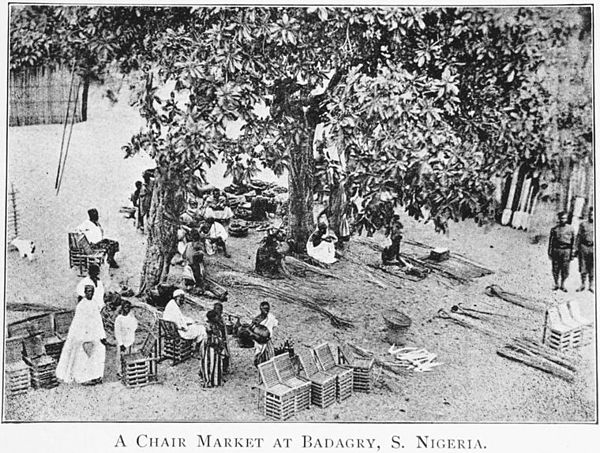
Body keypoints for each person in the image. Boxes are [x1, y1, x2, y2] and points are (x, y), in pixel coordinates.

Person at [56, 285, 108, 385]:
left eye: (92, 291)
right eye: (88, 291)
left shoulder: (94, 303)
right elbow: (78, 322)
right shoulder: (81, 306)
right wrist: (82, 336)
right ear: (85, 292)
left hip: (94, 333)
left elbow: (98, 320)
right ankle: (83, 378)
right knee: (82, 355)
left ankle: (96, 375)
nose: (90, 293)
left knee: (99, 351)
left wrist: (102, 335)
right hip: (83, 334)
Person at [548, 211, 575, 292]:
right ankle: (556, 284)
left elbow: (573, 242)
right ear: (559, 219)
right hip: (556, 250)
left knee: (565, 268)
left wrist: (572, 253)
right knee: (555, 268)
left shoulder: (571, 229)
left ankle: (563, 284)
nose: (563, 220)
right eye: (562, 218)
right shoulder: (554, 229)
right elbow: (551, 242)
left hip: (566, 250)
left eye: (565, 218)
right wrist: (550, 252)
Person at [199, 310, 226, 387]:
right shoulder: (209, 327)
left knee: (215, 364)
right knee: (210, 364)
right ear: (213, 318)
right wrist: (219, 344)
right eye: (217, 316)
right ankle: (209, 381)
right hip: (210, 347)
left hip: (215, 347)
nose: (219, 317)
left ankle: (215, 380)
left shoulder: (216, 324)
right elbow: (210, 339)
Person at [251, 301, 278, 367]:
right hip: (259, 343)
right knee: (259, 360)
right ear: (261, 309)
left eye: (267, 309)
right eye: (264, 309)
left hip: (268, 342)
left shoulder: (271, 317)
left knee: (270, 359)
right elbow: (252, 329)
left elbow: (274, 325)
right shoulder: (257, 319)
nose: (266, 310)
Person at [114, 300, 138, 371]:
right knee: (121, 358)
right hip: (123, 342)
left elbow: (134, 327)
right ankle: (120, 372)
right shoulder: (119, 319)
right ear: (122, 308)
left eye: (128, 307)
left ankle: (129, 372)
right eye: (125, 307)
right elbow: (117, 332)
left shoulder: (131, 317)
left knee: (130, 358)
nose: (127, 309)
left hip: (130, 341)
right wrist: (121, 344)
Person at [575, 207, 594, 292]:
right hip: (583, 247)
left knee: (592, 267)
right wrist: (575, 248)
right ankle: (582, 284)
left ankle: (591, 286)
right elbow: (578, 236)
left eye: (593, 214)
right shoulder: (583, 224)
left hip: (594, 248)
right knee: (583, 266)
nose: (592, 216)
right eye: (590, 214)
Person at [213, 302, 230, 373]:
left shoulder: (221, 319)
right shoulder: (213, 319)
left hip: (223, 339)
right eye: (217, 309)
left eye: (220, 309)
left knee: (226, 355)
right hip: (216, 340)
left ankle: (225, 368)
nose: (218, 311)